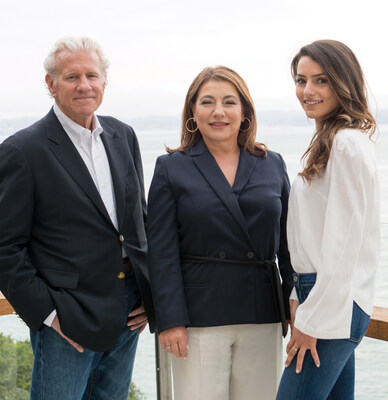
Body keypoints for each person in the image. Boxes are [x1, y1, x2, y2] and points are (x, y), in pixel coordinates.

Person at [0, 37, 155, 400]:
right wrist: (49, 316)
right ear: (50, 84)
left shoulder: (123, 136)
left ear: (104, 82)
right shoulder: (22, 151)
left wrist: (151, 296)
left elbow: (139, 225)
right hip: (67, 316)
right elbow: (5, 249)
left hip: (128, 307)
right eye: (72, 77)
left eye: (92, 75)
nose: (84, 85)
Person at [147, 65, 294, 400]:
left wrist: (294, 305)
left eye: (229, 102)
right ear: (192, 113)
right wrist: (170, 320)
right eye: (207, 102)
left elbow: (290, 245)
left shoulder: (272, 163)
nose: (218, 112)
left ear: (244, 112)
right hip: (198, 313)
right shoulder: (171, 167)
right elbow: (161, 251)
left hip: (263, 311)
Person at [276, 40, 380, 400]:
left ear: (342, 83)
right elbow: (313, 234)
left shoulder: (347, 145)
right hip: (318, 296)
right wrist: (295, 291)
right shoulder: (328, 140)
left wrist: (312, 318)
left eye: (320, 80)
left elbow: (343, 246)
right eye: (301, 80)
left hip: (331, 305)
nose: (307, 91)